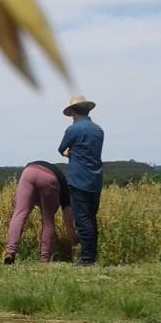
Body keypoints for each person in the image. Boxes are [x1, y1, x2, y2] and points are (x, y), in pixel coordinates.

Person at [58, 96, 104, 266]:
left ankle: (87, 259)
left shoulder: (73, 129)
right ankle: (92, 256)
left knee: (83, 220)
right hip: (95, 179)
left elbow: (61, 149)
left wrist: (69, 153)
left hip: (78, 179)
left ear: (73, 112)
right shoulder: (98, 130)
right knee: (91, 218)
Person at [3, 161, 77, 264]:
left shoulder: (61, 180)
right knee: (48, 220)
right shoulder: (65, 188)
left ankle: (10, 252)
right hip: (49, 178)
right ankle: (44, 259)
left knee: (19, 214)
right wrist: (73, 239)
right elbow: (68, 217)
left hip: (28, 172)